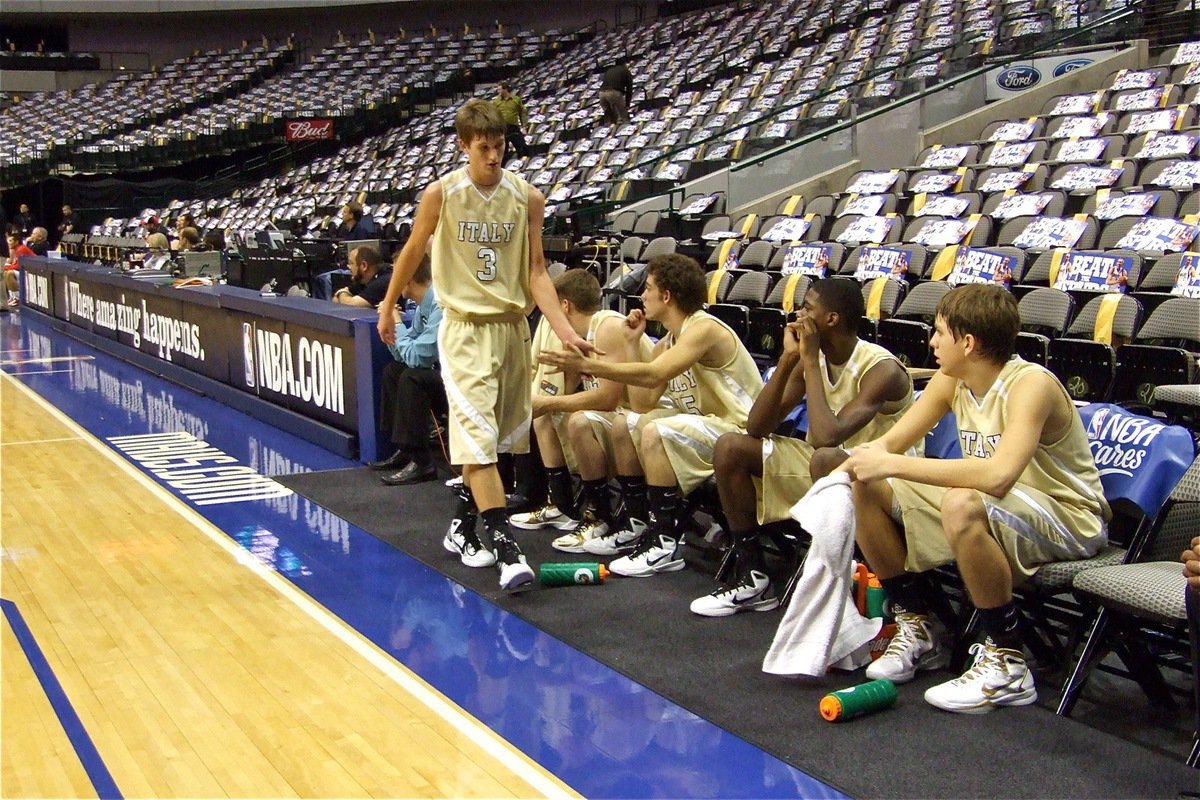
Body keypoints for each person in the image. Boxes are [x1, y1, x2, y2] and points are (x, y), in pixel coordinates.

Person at [843, 283, 1110, 714]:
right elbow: (887, 448)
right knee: (866, 487)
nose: (930, 341)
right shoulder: (952, 380)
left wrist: (891, 465)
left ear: (967, 343)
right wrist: (837, 479)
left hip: (1070, 517)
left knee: (961, 501)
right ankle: (918, 626)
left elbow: (998, 476)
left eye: (938, 332)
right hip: (1002, 507)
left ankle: (1008, 663)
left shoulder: (1031, 385)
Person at [375, 98, 598, 592]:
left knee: (496, 443)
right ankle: (505, 547)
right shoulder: (443, 194)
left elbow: (537, 271)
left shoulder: (528, 198)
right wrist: (389, 304)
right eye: (484, 149)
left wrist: (564, 330)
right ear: (463, 146)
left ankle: (461, 525)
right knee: (477, 442)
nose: (494, 157)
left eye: (499, 148)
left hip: (511, 329)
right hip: (464, 329)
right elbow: (413, 249)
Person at [693, 278, 914, 617]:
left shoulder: (881, 368)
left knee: (826, 458)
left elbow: (828, 436)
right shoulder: (811, 358)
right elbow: (757, 426)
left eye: (809, 308)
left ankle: (845, 591)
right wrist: (787, 359)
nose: (798, 314)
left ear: (832, 319)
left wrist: (809, 361)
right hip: (826, 469)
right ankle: (752, 575)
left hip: (881, 481)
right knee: (731, 447)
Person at [539, 254, 763, 577]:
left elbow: (653, 374)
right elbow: (642, 403)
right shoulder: (670, 340)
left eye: (648, 288)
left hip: (738, 431)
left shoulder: (704, 328)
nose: (642, 295)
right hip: (710, 428)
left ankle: (663, 543)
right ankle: (634, 522)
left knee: (655, 431)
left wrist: (587, 366)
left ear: (667, 296)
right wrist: (632, 343)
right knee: (626, 422)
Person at [512, 268, 655, 553]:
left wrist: (548, 403)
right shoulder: (578, 334)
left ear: (564, 305)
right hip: (624, 414)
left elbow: (607, 399)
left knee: (577, 420)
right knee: (547, 416)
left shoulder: (608, 327)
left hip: (647, 412)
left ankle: (599, 516)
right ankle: (562, 505)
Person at [370, 255, 445, 486]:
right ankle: (405, 449)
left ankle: (423, 462)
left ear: (409, 278)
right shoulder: (425, 305)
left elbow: (419, 358)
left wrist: (397, 322)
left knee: (412, 377)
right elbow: (405, 353)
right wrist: (392, 329)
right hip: (439, 373)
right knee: (394, 371)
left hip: (456, 380)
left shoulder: (440, 304)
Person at [493, 83, 528, 162]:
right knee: (503, 150)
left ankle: (523, 163)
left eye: (499, 89)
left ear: (505, 89)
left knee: (522, 147)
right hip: (501, 128)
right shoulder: (496, 101)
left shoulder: (516, 99)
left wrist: (524, 126)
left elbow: (522, 113)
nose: (498, 91)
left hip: (513, 127)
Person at [3, 231, 34, 309]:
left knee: (9, 273)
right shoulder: (17, 249)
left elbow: (18, 266)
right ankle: (12, 297)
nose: (8, 243)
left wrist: (4, 267)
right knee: (5, 272)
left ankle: (18, 298)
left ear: (16, 242)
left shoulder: (21, 249)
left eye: (10, 241)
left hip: (30, 272)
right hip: (24, 271)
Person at [599, 59, 633, 126]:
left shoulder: (609, 70)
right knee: (623, 118)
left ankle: (609, 132)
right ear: (624, 64)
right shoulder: (625, 70)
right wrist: (627, 104)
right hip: (614, 92)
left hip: (601, 93)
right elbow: (629, 88)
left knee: (609, 118)